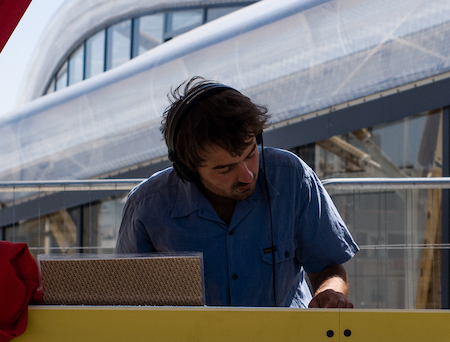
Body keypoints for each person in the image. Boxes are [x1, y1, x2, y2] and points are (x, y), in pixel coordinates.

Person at [115, 77, 358, 308]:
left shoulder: (292, 177)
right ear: (188, 169)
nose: (247, 175)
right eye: (225, 168)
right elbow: (126, 299)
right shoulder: (146, 206)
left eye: (251, 154)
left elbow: (328, 267)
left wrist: (329, 293)